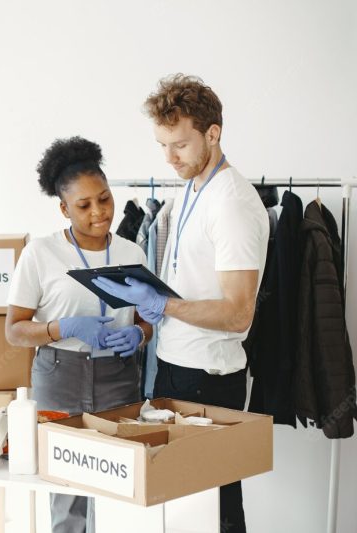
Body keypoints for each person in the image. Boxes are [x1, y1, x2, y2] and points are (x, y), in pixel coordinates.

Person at [93, 74, 268, 533]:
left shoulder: (232, 203)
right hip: (174, 367)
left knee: (217, 510)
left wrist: (163, 306)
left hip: (208, 379)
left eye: (181, 145)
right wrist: (149, 307)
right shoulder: (191, 188)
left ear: (214, 134)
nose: (170, 158)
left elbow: (238, 312)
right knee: (180, 509)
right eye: (162, 145)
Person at [5, 136, 153, 533]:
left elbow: (147, 319)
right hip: (60, 378)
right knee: (67, 495)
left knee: (120, 488)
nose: (99, 212)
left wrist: (139, 336)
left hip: (119, 379)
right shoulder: (41, 253)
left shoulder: (132, 254)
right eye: (84, 205)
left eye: (104, 199)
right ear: (63, 208)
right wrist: (61, 328)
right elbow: (15, 331)